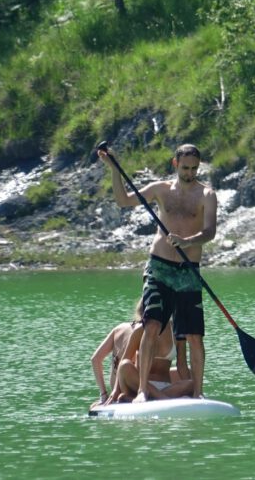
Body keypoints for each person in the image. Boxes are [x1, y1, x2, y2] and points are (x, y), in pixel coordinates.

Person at [97, 143, 218, 402]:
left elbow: (210, 232)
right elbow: (123, 200)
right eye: (185, 167)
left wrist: (188, 241)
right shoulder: (160, 189)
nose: (190, 173)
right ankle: (141, 391)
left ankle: (197, 392)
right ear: (175, 164)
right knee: (151, 325)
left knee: (195, 335)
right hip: (159, 267)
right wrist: (114, 170)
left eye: (195, 168)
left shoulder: (207, 194)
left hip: (188, 271)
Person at [114, 317, 194, 401]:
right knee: (124, 365)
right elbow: (122, 364)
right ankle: (160, 398)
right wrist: (116, 390)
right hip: (138, 386)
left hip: (166, 387)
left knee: (193, 382)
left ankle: (151, 398)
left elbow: (182, 365)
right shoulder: (140, 330)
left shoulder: (177, 331)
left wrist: (190, 389)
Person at [89, 298, 143, 409]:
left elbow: (95, 359)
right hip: (131, 389)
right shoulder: (145, 333)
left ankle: (105, 397)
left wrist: (103, 395)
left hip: (113, 389)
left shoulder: (119, 328)